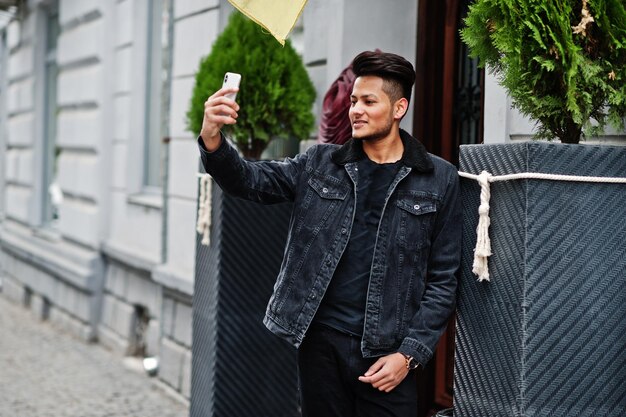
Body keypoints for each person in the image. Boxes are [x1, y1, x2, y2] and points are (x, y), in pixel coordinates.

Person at [197, 50, 462, 417]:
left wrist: (409, 355)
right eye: (354, 100)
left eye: (369, 101)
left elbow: (444, 279)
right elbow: (250, 181)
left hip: (387, 353)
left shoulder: (439, 178)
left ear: (399, 108)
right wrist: (212, 137)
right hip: (321, 344)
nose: (356, 110)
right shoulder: (321, 163)